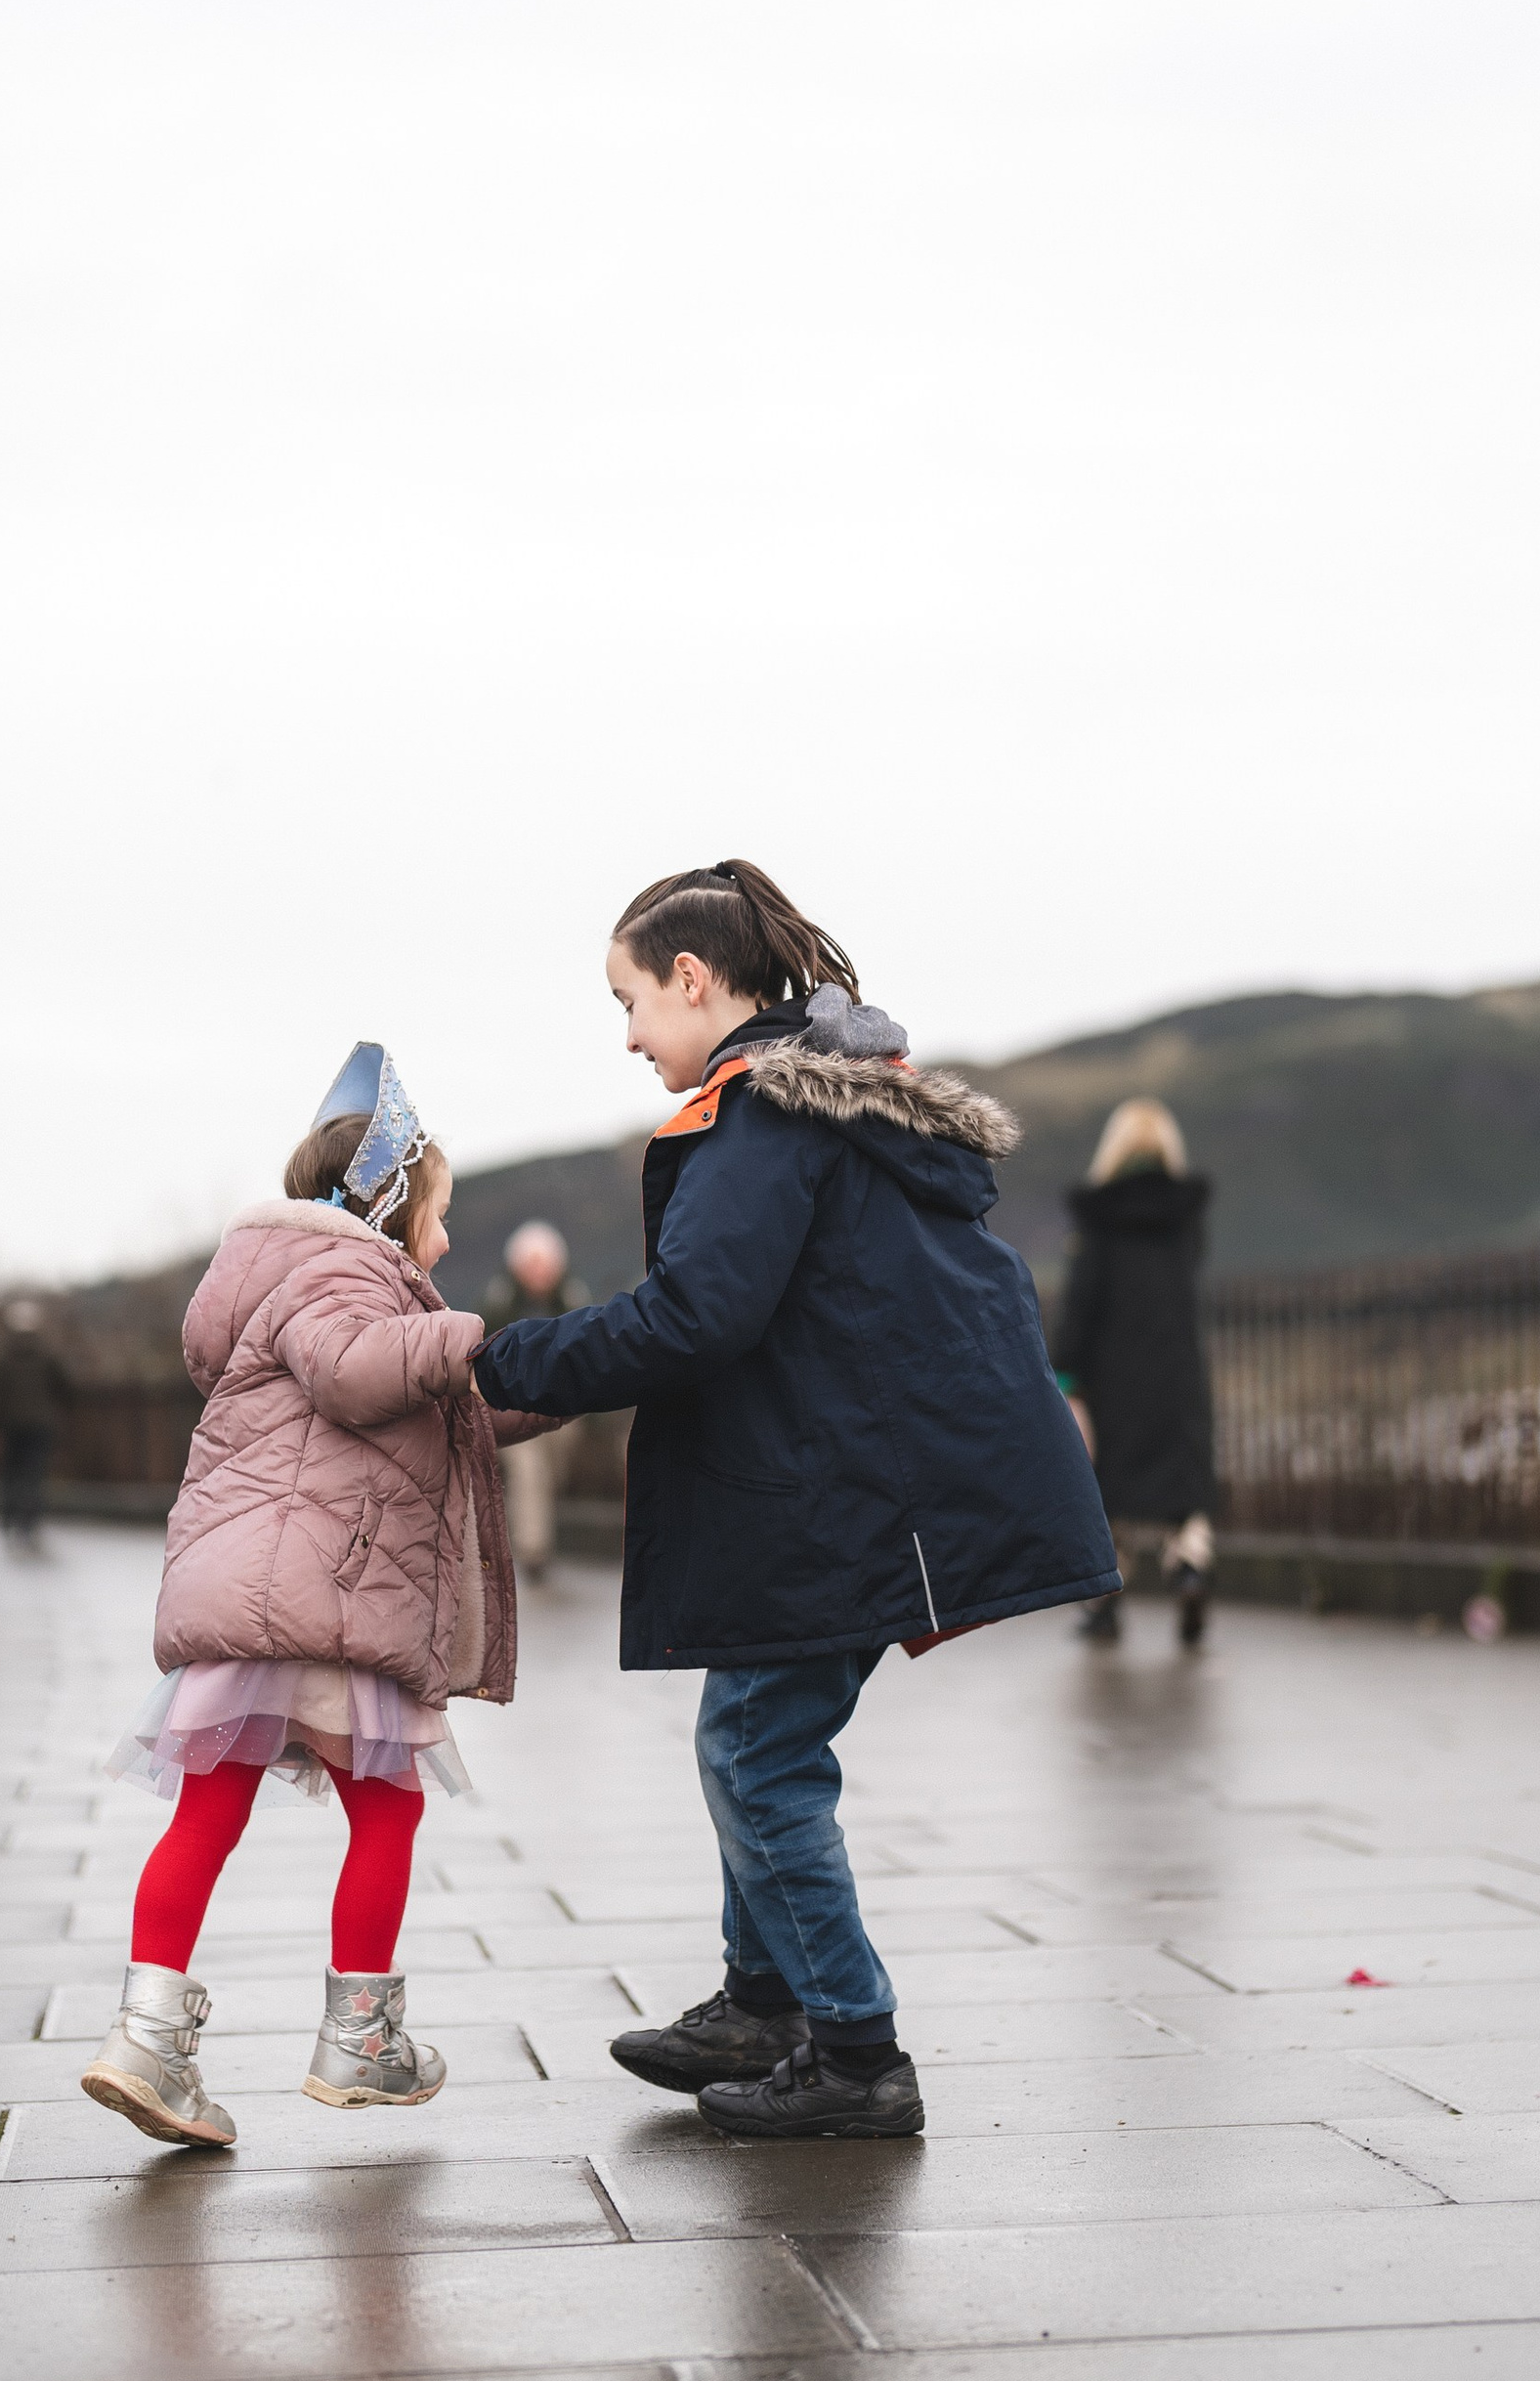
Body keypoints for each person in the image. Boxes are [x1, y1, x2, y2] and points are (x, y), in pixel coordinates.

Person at [475, 861, 1117, 2143]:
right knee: (750, 1722)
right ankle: (765, 2000)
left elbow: (698, 1316)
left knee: (756, 1754)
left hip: (859, 1489)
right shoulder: (809, 1103)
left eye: (631, 1000)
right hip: (869, 1470)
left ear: (695, 981)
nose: (627, 1033)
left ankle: (855, 2049)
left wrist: (493, 1362)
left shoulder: (762, 1112)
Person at [82, 1045, 557, 2147]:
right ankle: (359, 2037)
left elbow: (443, 1405)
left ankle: (148, 2035)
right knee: (386, 1807)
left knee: (213, 1808)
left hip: (266, 1601)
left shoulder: (309, 1282)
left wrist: (558, 1376)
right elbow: (356, 1367)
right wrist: (475, 1336)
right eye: (436, 1216)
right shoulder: (335, 1274)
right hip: (324, 1596)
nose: (442, 1242)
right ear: (387, 1209)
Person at [1051, 1099, 1218, 1648]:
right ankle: (1189, 1568)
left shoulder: (1098, 1219)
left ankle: (1104, 1604)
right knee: (1183, 1490)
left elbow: (1081, 1303)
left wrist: (1067, 1374)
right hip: (1177, 1372)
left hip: (1113, 1378)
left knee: (1108, 1492)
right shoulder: (1185, 1216)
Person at [479, 1222, 589, 1578]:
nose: (539, 1272)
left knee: (547, 1470)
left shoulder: (573, 1299)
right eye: (532, 1264)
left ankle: (536, 1535)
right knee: (529, 1467)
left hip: (564, 1410)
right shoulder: (499, 1301)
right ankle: (534, 1553)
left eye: (545, 1264)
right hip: (512, 1405)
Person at [0, 1298, 71, 1548]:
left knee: (10, 1472)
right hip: (41, 1423)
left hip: (10, 1423)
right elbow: (64, 1386)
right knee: (34, 1473)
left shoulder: (3, 1355)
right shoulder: (47, 1354)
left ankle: (9, 1518)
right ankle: (30, 1521)